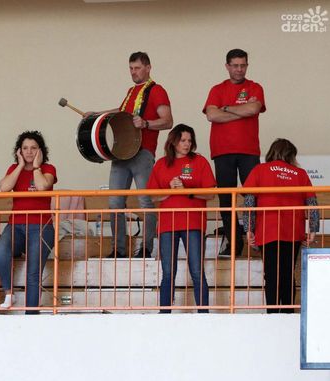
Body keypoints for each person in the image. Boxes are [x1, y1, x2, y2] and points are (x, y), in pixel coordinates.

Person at [85, 51, 173, 259]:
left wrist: (146, 123)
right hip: (121, 153)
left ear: (148, 68)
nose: (133, 72)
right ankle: (118, 250)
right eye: (131, 68)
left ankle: (146, 248)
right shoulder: (131, 91)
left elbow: (168, 121)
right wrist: (98, 114)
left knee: (145, 201)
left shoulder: (157, 90)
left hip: (143, 152)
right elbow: (122, 112)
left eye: (137, 68)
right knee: (114, 202)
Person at [242, 138, 319, 313]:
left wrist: (248, 229)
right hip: (293, 230)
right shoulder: (300, 173)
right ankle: (288, 313)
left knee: (271, 274)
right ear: (291, 155)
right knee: (287, 273)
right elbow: (312, 204)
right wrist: (313, 230)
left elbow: (249, 201)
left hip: (267, 229)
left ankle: (273, 315)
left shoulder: (259, 169)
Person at [203, 48, 266, 257]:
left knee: (253, 197)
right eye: (235, 65)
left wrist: (226, 108)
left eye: (243, 65)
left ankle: (257, 240)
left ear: (247, 65)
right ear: (227, 66)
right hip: (222, 151)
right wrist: (241, 111)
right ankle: (234, 243)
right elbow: (212, 115)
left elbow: (253, 109)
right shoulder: (217, 89)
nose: (239, 69)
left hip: (249, 150)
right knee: (226, 200)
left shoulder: (255, 87)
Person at [146, 124, 216, 313]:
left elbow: (211, 193)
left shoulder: (199, 161)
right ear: (173, 141)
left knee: (197, 270)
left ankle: (203, 313)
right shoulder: (161, 163)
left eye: (189, 141)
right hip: (167, 224)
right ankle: (165, 313)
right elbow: (152, 197)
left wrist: (187, 191)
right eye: (183, 140)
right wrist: (170, 190)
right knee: (168, 272)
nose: (187, 144)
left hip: (193, 222)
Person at [0, 131, 57, 314]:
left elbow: (42, 186)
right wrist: (20, 165)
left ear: (40, 151)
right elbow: (4, 187)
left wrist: (36, 167)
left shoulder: (48, 168)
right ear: (19, 151)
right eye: (25, 148)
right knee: (0, 250)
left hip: (41, 227)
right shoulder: (15, 168)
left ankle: (31, 315)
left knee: (33, 272)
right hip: (16, 225)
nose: (29, 152)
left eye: (33, 148)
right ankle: (9, 293)